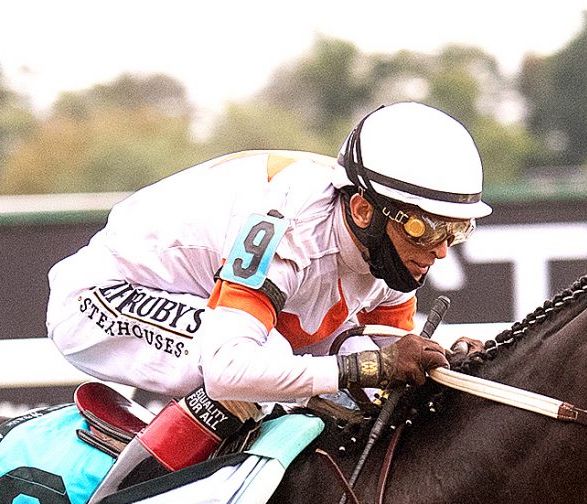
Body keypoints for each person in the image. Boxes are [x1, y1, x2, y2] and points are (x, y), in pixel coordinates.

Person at [46, 101, 491, 478]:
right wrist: (366, 368)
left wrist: (442, 364)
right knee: (268, 361)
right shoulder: (286, 228)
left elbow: (385, 355)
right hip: (101, 297)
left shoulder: (387, 251)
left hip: (218, 311)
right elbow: (228, 371)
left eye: (455, 232)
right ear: (361, 210)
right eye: (424, 230)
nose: (438, 253)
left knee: (328, 377)